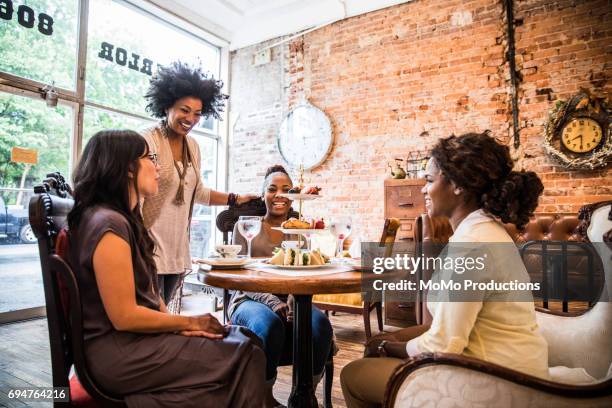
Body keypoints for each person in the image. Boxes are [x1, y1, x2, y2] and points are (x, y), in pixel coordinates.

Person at [340, 132, 549, 408]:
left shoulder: (472, 243)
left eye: (429, 180)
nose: (423, 190)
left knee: (354, 375)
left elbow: (443, 345)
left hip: (498, 380)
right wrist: (391, 339)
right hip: (505, 365)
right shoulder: (481, 230)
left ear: (459, 186)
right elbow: (444, 327)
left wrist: (387, 346)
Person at [68, 130, 265, 408]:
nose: (158, 166)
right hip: (118, 354)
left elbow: (148, 294)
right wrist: (189, 322)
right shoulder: (108, 225)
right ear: (126, 168)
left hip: (135, 342)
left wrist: (179, 329)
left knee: (246, 340)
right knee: (245, 353)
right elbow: (124, 316)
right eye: (149, 158)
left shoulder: (123, 219)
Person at [142, 61, 256, 305]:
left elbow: (199, 192)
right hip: (147, 247)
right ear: (166, 105)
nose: (191, 119)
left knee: (166, 313)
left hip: (176, 248)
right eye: (184, 110)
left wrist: (235, 199)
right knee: (151, 315)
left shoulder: (192, 147)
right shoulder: (147, 141)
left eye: (197, 114)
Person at [229, 165, 334, 408]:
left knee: (321, 327)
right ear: (263, 193)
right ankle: (264, 397)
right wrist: (273, 301)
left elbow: (303, 271)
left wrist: (294, 298)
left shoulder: (299, 231)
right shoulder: (247, 227)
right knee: (270, 325)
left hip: (291, 300)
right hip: (248, 299)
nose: (279, 195)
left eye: (286, 190)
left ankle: (303, 394)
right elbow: (241, 276)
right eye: (272, 189)